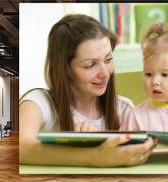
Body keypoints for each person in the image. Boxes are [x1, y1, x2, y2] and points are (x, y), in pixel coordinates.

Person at [19, 14, 156, 167]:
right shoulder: (37, 103)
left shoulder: (124, 108)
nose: (105, 73)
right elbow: (21, 148)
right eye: (90, 65)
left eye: (108, 60)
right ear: (65, 70)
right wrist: (93, 156)